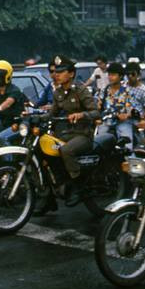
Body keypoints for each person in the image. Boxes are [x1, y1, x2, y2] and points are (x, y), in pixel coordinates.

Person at [46, 55, 101, 209]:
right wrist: (33, 117)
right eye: (56, 71)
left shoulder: (81, 90)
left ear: (71, 74)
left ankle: (78, 186)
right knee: (47, 149)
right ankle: (53, 190)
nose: (57, 74)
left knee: (65, 150)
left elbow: (96, 112)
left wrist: (81, 115)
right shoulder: (58, 93)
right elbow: (52, 114)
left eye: (61, 71)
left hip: (83, 134)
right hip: (67, 133)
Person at [98, 63, 145, 145]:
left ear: (120, 76)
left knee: (127, 144)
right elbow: (99, 105)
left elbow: (135, 108)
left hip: (123, 122)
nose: (110, 77)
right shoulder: (104, 90)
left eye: (113, 75)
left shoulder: (127, 91)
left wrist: (127, 115)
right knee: (98, 142)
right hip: (107, 121)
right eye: (109, 75)